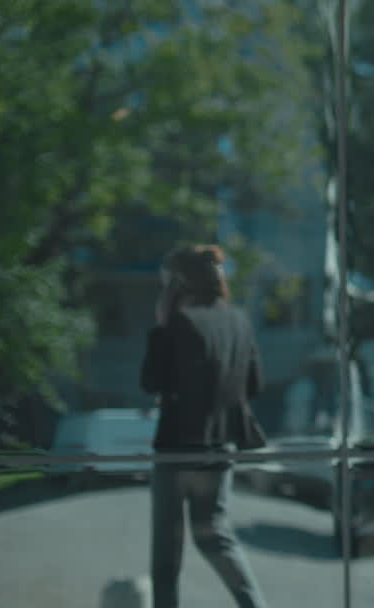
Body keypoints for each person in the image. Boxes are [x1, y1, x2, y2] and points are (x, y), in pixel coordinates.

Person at [141, 244, 269, 608]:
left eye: (166, 284)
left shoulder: (179, 324)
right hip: (219, 452)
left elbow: (151, 381)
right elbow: (254, 385)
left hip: (176, 450)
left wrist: (161, 327)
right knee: (215, 537)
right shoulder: (239, 321)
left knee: (167, 556)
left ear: (179, 285)